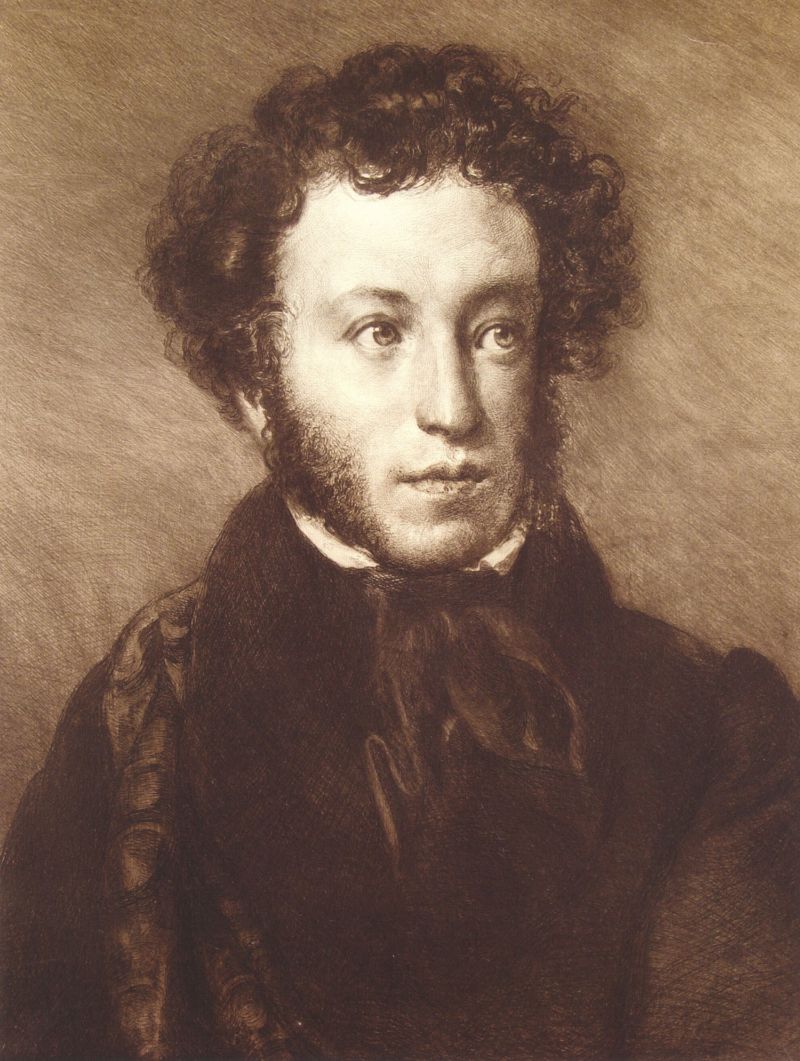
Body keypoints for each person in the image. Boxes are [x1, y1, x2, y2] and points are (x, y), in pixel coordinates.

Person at [2, 42, 798, 1061]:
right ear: (255, 378)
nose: (450, 408)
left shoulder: (713, 722)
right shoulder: (135, 719)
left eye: (496, 331)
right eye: (380, 331)